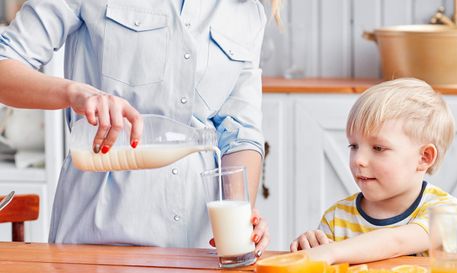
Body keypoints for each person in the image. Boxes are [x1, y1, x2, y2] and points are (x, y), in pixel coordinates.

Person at [0, 0, 281, 255]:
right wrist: (75, 93)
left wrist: (238, 218)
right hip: (98, 241)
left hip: (198, 251)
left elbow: (240, 135)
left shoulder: (247, 10)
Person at [290, 78, 457, 264]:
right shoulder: (336, 218)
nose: (358, 160)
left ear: (424, 157)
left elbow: (396, 242)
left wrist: (331, 252)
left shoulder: (444, 211)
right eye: (353, 146)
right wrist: (310, 247)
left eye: (378, 148)